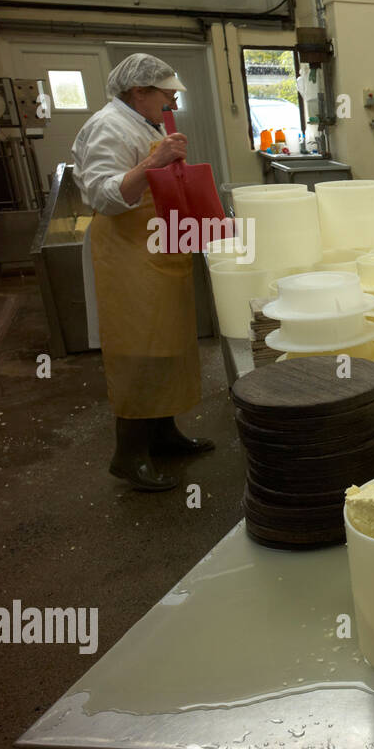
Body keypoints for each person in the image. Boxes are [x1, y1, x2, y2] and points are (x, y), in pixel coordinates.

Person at [71, 53, 214, 492]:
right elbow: (102, 194)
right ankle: (128, 455)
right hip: (128, 255)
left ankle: (163, 434)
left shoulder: (145, 122)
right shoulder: (107, 126)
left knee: (166, 343)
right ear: (138, 91)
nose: (172, 99)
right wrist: (154, 163)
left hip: (157, 247)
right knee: (138, 349)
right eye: (165, 92)